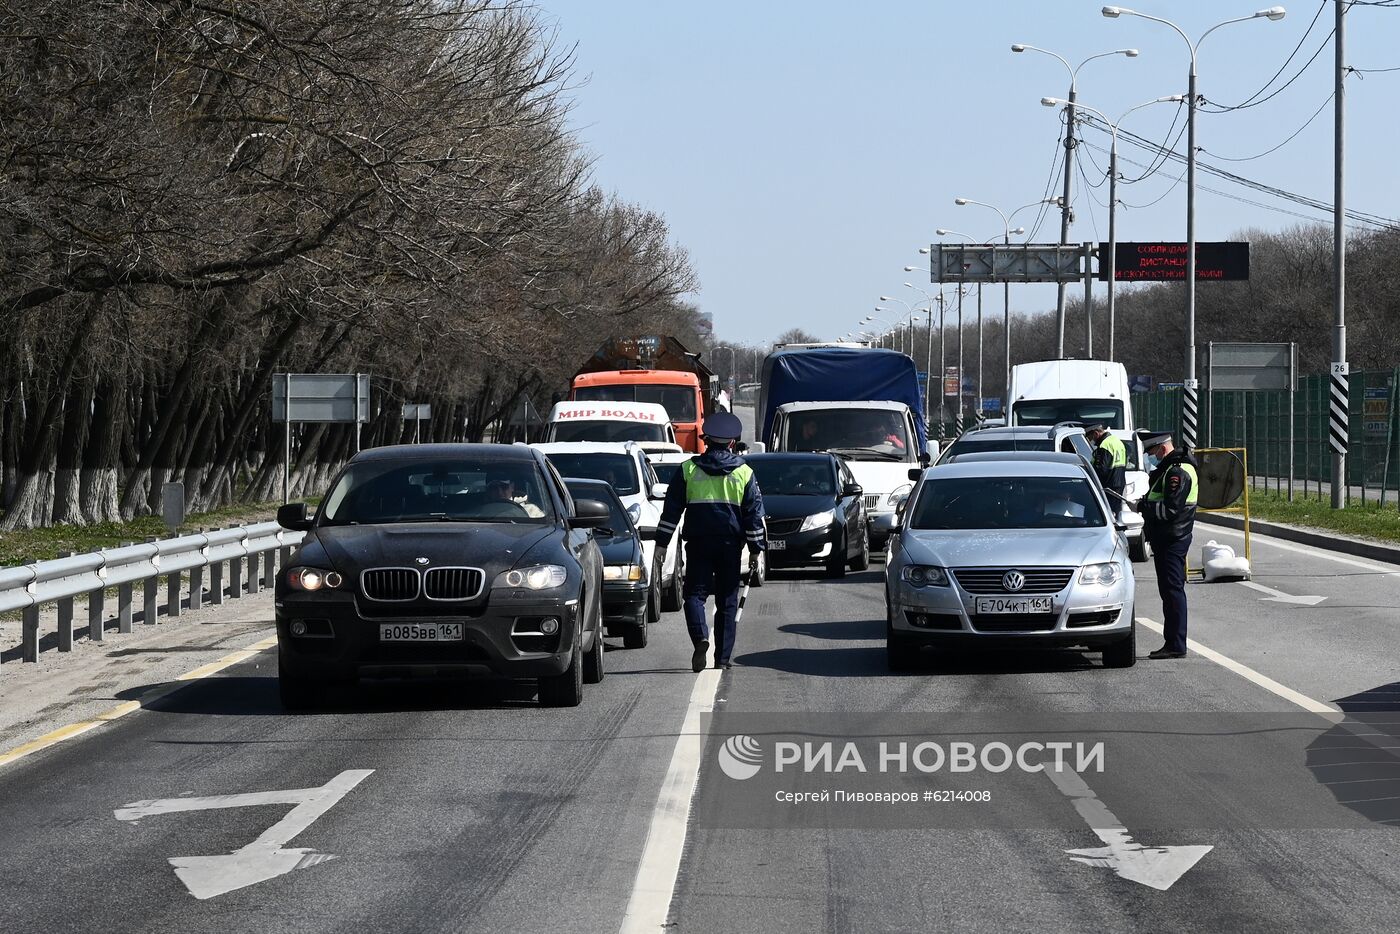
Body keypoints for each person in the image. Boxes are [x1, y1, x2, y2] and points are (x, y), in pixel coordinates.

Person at [656, 412, 766, 671]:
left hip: (697, 544)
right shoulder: (744, 473)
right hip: (729, 546)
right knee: (727, 600)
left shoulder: (688, 470)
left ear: (705, 441)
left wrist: (661, 544)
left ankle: (701, 638)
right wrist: (755, 550)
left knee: (694, 595)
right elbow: (754, 515)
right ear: (731, 443)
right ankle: (722, 659)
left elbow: (671, 512)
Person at [1137, 432, 1198, 660]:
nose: (1151, 458)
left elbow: (1171, 510)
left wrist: (1145, 508)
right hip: (1168, 538)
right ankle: (1172, 641)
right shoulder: (1173, 468)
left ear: (1161, 448)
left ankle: (1175, 643)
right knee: (1170, 592)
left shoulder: (1177, 472)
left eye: (1151, 453)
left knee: (1173, 592)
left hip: (1173, 538)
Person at [1086, 424, 1127, 518]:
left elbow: (1101, 470)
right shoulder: (1116, 441)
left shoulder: (1104, 445)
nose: (1091, 441)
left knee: (1106, 515)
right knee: (1116, 515)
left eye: (1090, 438)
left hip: (1108, 487)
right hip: (1119, 484)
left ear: (1096, 433)